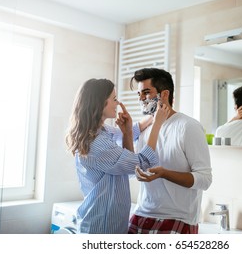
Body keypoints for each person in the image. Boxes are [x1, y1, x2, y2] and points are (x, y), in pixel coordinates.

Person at [65, 78, 169, 234]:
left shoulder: (101, 132)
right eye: (114, 99)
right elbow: (140, 163)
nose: (117, 103)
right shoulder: (97, 144)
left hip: (107, 224)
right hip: (101, 228)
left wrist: (147, 119)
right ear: (100, 103)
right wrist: (157, 125)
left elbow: (125, 136)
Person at [128, 68, 212, 234]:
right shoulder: (145, 129)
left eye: (146, 93)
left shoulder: (188, 127)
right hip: (141, 214)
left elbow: (205, 180)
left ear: (164, 94)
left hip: (177, 219)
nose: (141, 99)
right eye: (139, 94)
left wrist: (164, 173)